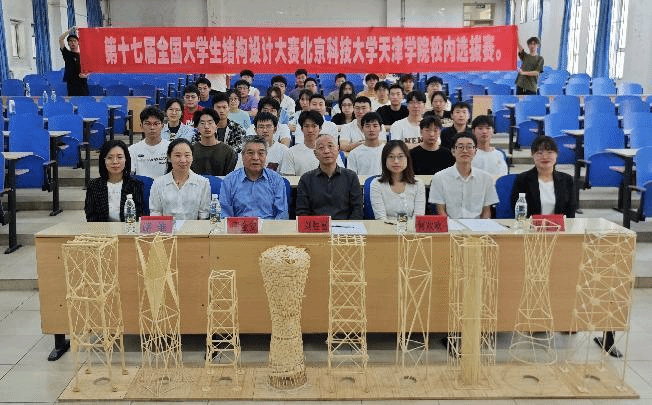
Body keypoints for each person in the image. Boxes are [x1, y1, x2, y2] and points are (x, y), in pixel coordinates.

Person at [429, 132, 498, 219]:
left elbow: (486, 211)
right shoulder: (440, 177)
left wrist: (482, 225)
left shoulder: (486, 178)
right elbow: (440, 210)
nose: (465, 151)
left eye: (469, 147)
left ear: (475, 151)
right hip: (451, 224)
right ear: (453, 151)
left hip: (478, 225)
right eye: (460, 147)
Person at [219, 136, 288, 219]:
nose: (255, 158)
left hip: (269, 226)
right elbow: (224, 215)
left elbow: (282, 215)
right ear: (242, 156)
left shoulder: (276, 180)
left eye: (260, 153)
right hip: (239, 226)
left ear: (266, 156)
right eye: (250, 153)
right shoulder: (229, 181)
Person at [296, 133, 363, 219]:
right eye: (321, 148)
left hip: (345, 226)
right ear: (315, 153)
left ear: (338, 149)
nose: (326, 151)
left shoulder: (351, 177)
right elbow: (302, 212)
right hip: (316, 226)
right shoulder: (306, 179)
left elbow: (357, 210)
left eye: (330, 146)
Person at [510, 136, 575, 218]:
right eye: (539, 153)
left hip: (559, 225)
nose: (544, 157)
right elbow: (518, 211)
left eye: (549, 152)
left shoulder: (567, 180)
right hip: (531, 225)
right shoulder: (522, 179)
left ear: (556, 154)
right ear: (532, 155)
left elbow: (571, 212)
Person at [149, 138, 211, 219]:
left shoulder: (203, 183)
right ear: (169, 158)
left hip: (193, 227)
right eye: (178, 155)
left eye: (187, 155)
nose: (183, 160)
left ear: (192, 157)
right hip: (167, 226)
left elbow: (204, 215)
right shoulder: (158, 184)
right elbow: (155, 213)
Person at [85, 140, 143, 222]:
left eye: (119, 157)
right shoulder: (94, 185)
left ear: (126, 159)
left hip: (128, 228)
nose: (115, 162)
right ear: (103, 161)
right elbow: (91, 216)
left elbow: (138, 214)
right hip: (102, 229)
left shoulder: (136, 184)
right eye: (109, 158)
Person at [370, 140, 426, 220]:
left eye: (400, 156)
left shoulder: (418, 184)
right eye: (391, 157)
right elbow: (381, 218)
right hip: (385, 227)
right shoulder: (377, 184)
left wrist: (407, 228)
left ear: (407, 159)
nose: (396, 161)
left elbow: (418, 216)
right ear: (384, 160)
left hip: (411, 227)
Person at [279, 110, 345, 176]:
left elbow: (341, 175)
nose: (310, 130)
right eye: (306, 126)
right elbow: (289, 179)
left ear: (320, 129)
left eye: (314, 126)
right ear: (302, 129)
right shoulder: (291, 153)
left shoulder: (330, 152)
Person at [190, 108, 237, 176]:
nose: (206, 127)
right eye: (202, 123)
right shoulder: (191, 151)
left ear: (216, 125)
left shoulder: (228, 151)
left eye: (210, 123)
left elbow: (230, 177)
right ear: (197, 127)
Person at [129, 106, 170, 179]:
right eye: (148, 124)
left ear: (162, 126)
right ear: (141, 126)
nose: (152, 128)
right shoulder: (132, 150)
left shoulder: (170, 147)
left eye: (156, 124)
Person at [471, 115, 508, 180]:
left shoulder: (499, 154)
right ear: (473, 131)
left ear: (493, 131)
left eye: (488, 128)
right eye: (480, 128)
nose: (484, 132)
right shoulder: (468, 154)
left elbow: (503, 177)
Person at [346, 112, 384, 176]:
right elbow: (351, 178)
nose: (371, 129)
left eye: (375, 126)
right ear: (362, 129)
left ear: (380, 129)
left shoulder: (387, 151)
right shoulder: (354, 154)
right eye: (367, 126)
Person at [58, 26, 88, 96]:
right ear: (68, 43)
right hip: (71, 83)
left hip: (82, 83)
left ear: (78, 43)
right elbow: (60, 39)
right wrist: (70, 30)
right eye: (70, 41)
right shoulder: (66, 53)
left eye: (74, 41)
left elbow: (89, 69)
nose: (73, 43)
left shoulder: (83, 55)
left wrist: (86, 75)